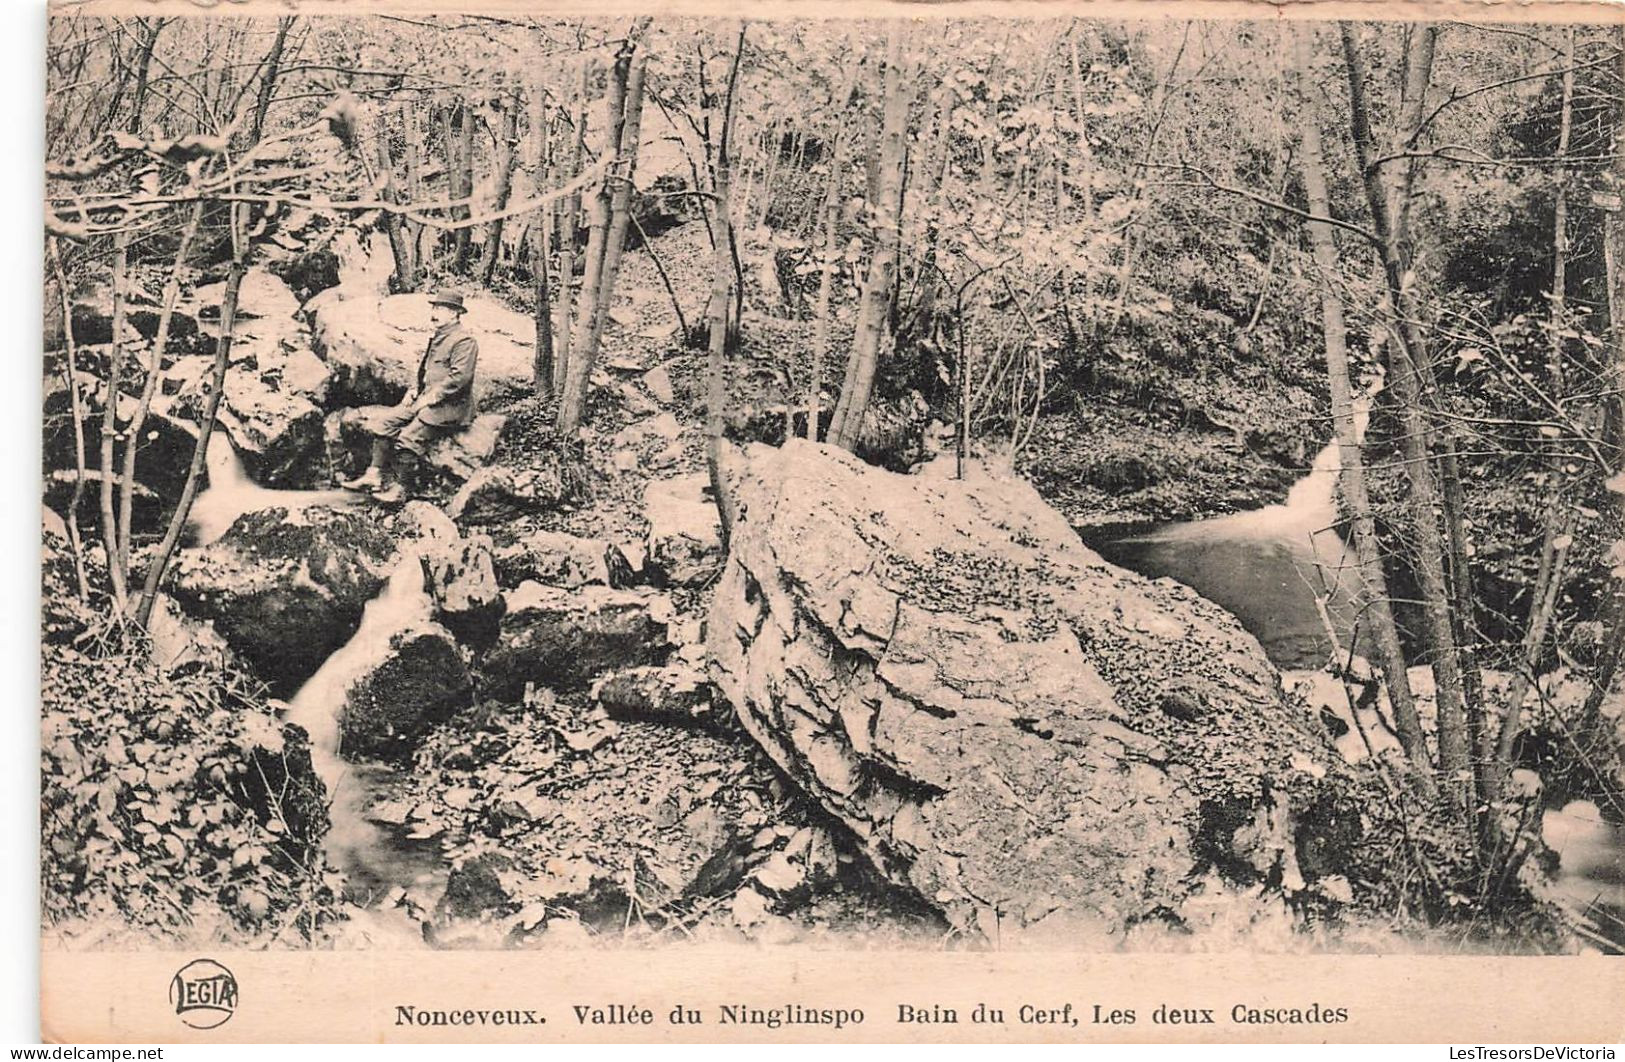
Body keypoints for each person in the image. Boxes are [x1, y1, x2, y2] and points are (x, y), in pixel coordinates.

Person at [341, 290, 479, 503]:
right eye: (434, 308)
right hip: (426, 399)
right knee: (385, 422)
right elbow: (426, 368)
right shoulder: (439, 336)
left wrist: (430, 398)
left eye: (441, 309)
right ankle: (373, 475)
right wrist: (415, 389)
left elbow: (459, 378)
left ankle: (402, 489)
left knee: (409, 437)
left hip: (450, 406)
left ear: (455, 314)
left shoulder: (464, 341)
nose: (434, 313)